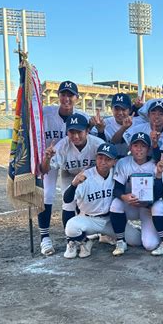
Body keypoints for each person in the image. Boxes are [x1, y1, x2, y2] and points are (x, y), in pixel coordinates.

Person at [38, 80, 89, 256]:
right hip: (51, 157)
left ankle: (78, 232)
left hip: (73, 161)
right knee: (47, 193)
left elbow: (93, 139)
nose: (66, 98)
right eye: (63, 94)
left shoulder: (83, 117)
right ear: (58, 95)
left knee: (76, 195)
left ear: (76, 97)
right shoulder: (45, 113)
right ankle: (44, 237)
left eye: (70, 95)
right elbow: (30, 117)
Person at [40, 113, 105, 230]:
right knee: (69, 204)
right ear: (67, 132)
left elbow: (108, 164)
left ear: (87, 131)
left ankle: (99, 232)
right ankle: (70, 239)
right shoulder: (62, 146)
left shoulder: (97, 143)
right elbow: (44, 170)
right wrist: (47, 159)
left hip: (91, 175)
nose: (75, 136)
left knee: (93, 202)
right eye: (71, 132)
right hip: (69, 174)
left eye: (79, 132)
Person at [62, 143, 118, 259]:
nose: (103, 162)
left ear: (114, 162)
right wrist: (73, 184)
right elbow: (67, 199)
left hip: (109, 221)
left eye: (108, 159)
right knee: (71, 227)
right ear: (96, 158)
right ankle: (84, 241)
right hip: (88, 219)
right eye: (100, 158)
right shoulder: (84, 176)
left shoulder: (117, 174)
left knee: (136, 240)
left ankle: (105, 236)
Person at [109, 132, 158, 255]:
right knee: (115, 204)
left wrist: (148, 203)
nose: (139, 149)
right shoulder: (123, 162)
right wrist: (124, 197)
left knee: (150, 245)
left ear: (148, 149)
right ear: (130, 148)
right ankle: (120, 240)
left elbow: (160, 191)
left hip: (147, 208)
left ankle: (157, 230)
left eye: (143, 146)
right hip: (130, 204)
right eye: (136, 145)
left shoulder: (155, 164)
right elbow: (117, 189)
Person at [102, 93, 134, 158]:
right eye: (116, 109)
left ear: (130, 110)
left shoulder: (138, 123)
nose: (120, 113)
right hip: (110, 160)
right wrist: (100, 131)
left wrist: (137, 107)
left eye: (123, 109)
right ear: (111, 109)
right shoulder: (104, 123)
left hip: (131, 162)